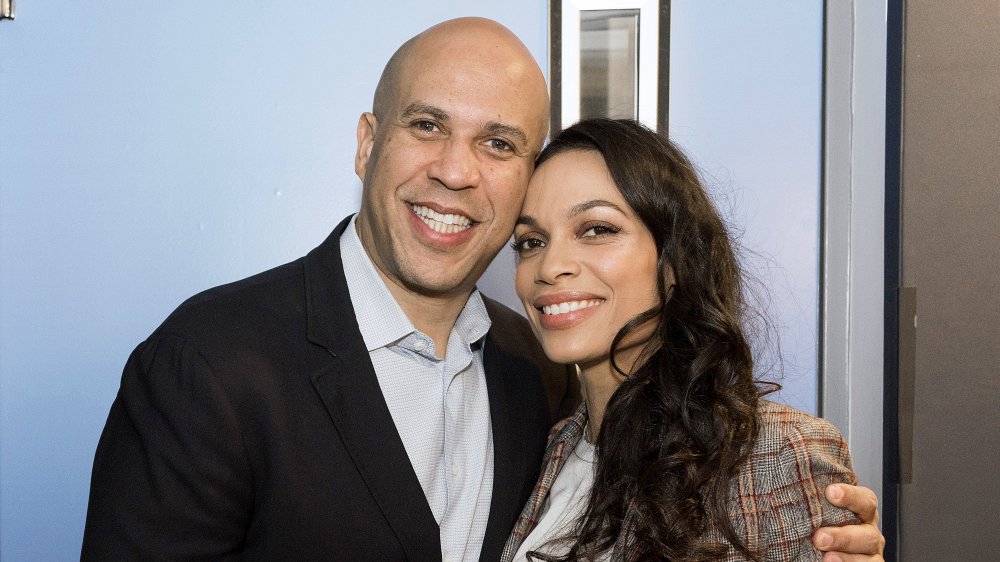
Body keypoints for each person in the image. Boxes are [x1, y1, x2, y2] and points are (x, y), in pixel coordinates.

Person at [82, 18, 883, 561]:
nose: (457, 171)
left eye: (497, 143)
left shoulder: (533, 372)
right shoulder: (208, 361)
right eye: (427, 125)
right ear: (368, 142)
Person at [503, 118, 878, 561]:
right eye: (531, 241)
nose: (549, 266)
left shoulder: (775, 454)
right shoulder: (556, 448)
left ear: (674, 262)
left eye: (597, 229)